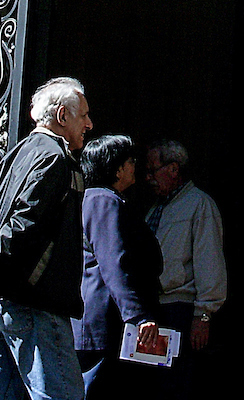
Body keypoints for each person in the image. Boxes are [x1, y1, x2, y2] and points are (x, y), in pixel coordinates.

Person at [0, 77, 94, 400]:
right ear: (62, 116)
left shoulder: (12, 156)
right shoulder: (55, 159)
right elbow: (24, 224)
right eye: (82, 115)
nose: (88, 123)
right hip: (33, 304)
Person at [74, 135, 164, 400]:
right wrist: (137, 316)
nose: (134, 165)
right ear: (115, 168)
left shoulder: (97, 199)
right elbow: (114, 262)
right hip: (105, 326)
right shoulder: (103, 201)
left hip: (103, 325)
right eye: (129, 160)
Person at [144, 140, 226, 398]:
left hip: (180, 310)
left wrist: (203, 315)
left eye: (152, 169)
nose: (148, 178)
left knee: (176, 384)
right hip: (155, 309)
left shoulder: (199, 205)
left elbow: (209, 262)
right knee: (155, 384)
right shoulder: (156, 209)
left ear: (173, 169)